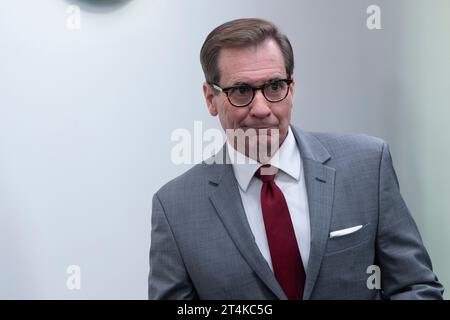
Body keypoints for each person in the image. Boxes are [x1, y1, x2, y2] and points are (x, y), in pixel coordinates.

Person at [148, 18, 444, 299]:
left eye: (274, 87)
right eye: (241, 91)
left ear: (291, 89)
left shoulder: (367, 164)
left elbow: (416, 286)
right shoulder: (175, 208)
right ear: (211, 99)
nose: (262, 108)